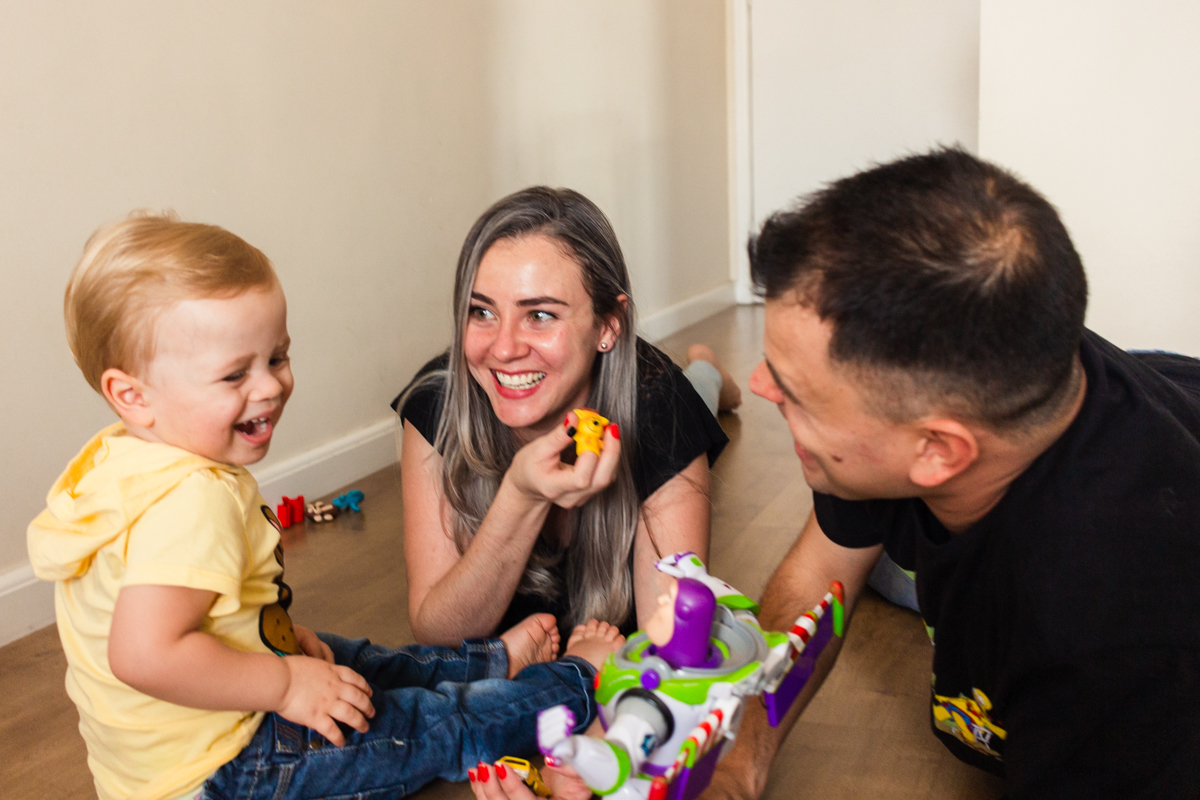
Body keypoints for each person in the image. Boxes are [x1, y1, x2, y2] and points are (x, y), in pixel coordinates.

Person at [27, 213, 625, 800]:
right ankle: (572, 680)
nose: (269, 387)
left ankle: (492, 660)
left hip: (163, 762)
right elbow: (144, 655)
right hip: (232, 769)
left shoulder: (118, 462)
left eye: (277, 358)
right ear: (132, 395)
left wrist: (278, 653)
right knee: (428, 727)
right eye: (235, 375)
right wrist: (284, 682)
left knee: (352, 661)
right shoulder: (192, 497)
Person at [698, 148, 1200, 799]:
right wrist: (738, 757)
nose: (761, 386)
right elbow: (824, 573)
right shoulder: (982, 362)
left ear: (937, 451)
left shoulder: (1110, 636)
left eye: (794, 390)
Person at [394, 187, 737, 648]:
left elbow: (671, 646)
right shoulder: (438, 400)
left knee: (699, 387)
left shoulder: (662, 406)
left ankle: (709, 371)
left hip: (661, 390)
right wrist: (521, 495)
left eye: (539, 314)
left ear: (608, 326)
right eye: (482, 311)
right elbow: (438, 632)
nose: (503, 348)